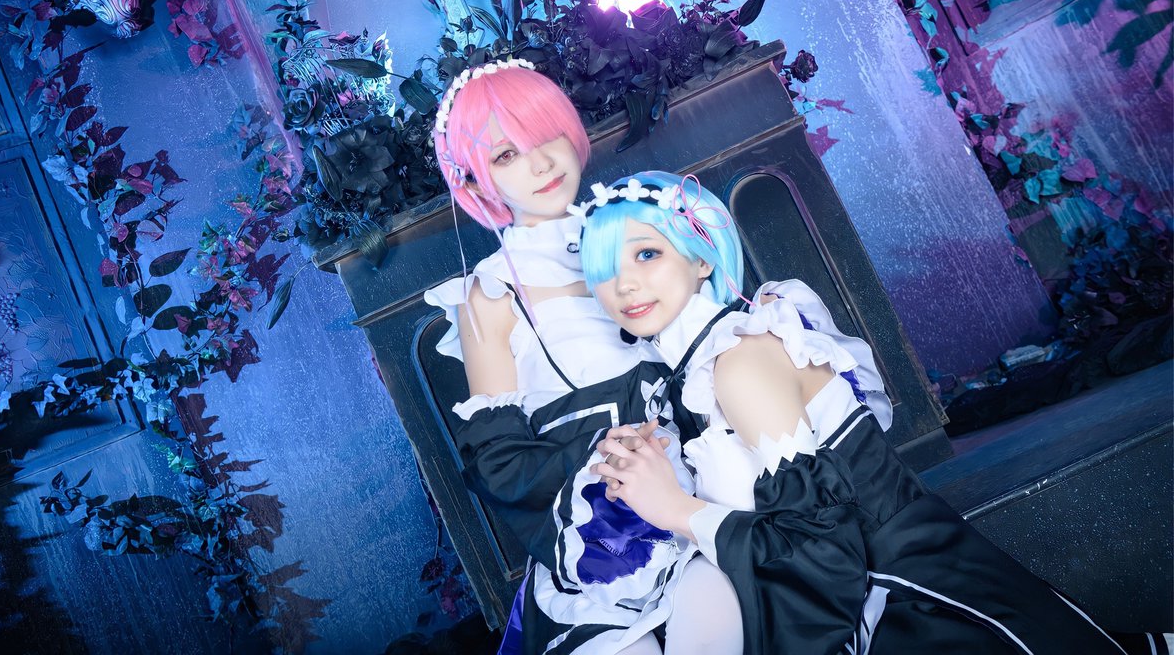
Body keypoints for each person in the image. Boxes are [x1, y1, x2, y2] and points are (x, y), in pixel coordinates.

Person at [579, 169, 1171, 655]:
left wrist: (676, 509)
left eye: (647, 254)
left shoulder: (738, 361)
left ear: (701, 259)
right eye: (605, 270)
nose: (624, 285)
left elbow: (826, 551)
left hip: (915, 604)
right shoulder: (695, 377)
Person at [423, 63, 741, 654]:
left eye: (545, 135)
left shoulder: (638, 230)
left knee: (717, 604)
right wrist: (600, 456)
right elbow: (498, 463)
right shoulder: (490, 294)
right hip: (599, 531)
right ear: (475, 182)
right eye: (506, 155)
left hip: (703, 492)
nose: (541, 163)